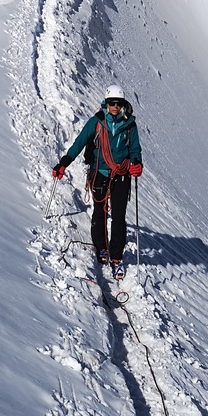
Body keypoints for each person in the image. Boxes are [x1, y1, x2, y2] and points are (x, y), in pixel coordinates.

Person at [52, 84, 143, 279]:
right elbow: (79, 143)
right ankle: (101, 247)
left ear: (123, 104)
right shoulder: (97, 122)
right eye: (112, 103)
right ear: (106, 103)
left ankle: (116, 256)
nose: (115, 106)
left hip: (122, 174)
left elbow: (135, 149)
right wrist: (64, 163)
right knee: (100, 211)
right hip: (100, 172)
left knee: (119, 216)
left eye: (118, 103)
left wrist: (136, 163)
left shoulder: (130, 125)